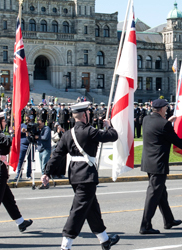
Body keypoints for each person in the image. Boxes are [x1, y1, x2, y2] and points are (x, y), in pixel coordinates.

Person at [41, 101, 120, 250]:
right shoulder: (89, 131)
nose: (89, 115)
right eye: (89, 113)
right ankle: (66, 244)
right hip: (86, 175)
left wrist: (47, 172)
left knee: (92, 208)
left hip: (75, 175)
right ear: (85, 115)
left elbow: (57, 155)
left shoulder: (67, 134)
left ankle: (105, 240)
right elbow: (113, 136)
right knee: (78, 210)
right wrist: (108, 126)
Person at [139, 99, 182, 234]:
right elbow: (175, 140)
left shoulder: (147, 119)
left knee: (161, 193)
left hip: (148, 162)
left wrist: (168, 121)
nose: (167, 110)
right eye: (166, 108)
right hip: (158, 163)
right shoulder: (165, 125)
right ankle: (145, 225)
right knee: (153, 194)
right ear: (161, 109)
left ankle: (169, 220)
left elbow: (159, 129)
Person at [35, 118, 52, 188]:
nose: (38, 125)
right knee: (42, 167)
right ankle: (45, 182)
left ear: (43, 123)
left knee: (44, 167)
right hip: (40, 150)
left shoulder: (46, 129)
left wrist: (38, 137)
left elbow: (45, 137)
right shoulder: (39, 130)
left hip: (46, 149)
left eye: (39, 123)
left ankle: (45, 183)